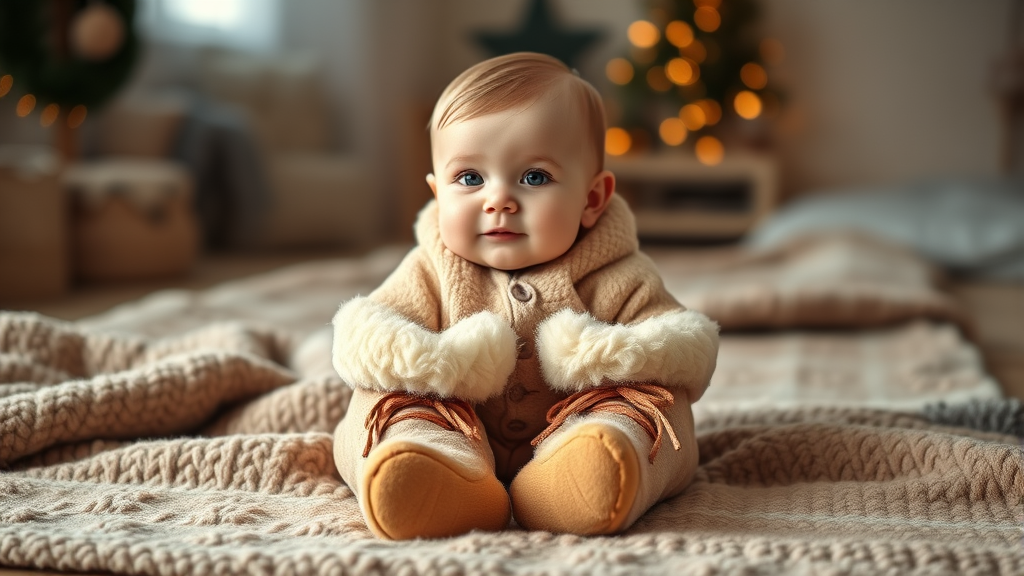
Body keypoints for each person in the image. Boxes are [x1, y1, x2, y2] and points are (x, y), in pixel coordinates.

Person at [331, 52, 719, 540]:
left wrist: (631, 368)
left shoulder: (619, 274)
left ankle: (593, 465)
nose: (499, 200)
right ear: (436, 191)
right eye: (469, 178)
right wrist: (413, 364)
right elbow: (380, 331)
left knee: (659, 403)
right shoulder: (431, 269)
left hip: (578, 420)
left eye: (534, 177)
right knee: (378, 393)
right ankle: (425, 467)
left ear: (591, 199)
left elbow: (668, 342)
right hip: (455, 420)